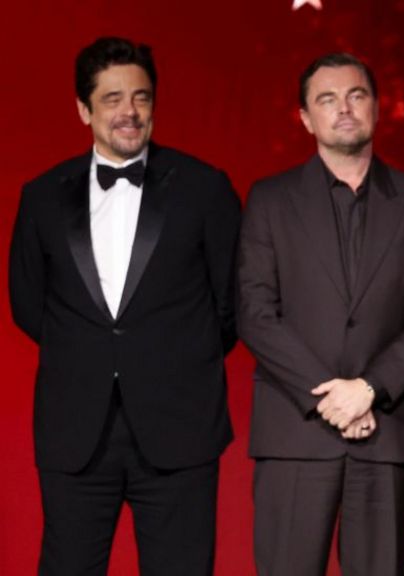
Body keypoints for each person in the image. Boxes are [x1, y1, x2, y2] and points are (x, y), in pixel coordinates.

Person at [8, 37, 240, 575]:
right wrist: (90, 352)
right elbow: (28, 304)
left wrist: (166, 357)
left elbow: (231, 305)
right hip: (75, 434)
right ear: (84, 110)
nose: (129, 112)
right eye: (112, 99)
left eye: (140, 97)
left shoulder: (205, 188)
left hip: (179, 429)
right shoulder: (41, 196)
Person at [237, 52, 404, 576]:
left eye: (355, 95)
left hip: (386, 432)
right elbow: (255, 314)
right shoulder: (270, 199)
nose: (344, 108)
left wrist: (368, 389)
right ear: (306, 118)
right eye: (326, 99)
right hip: (296, 435)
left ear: (376, 107)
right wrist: (332, 396)